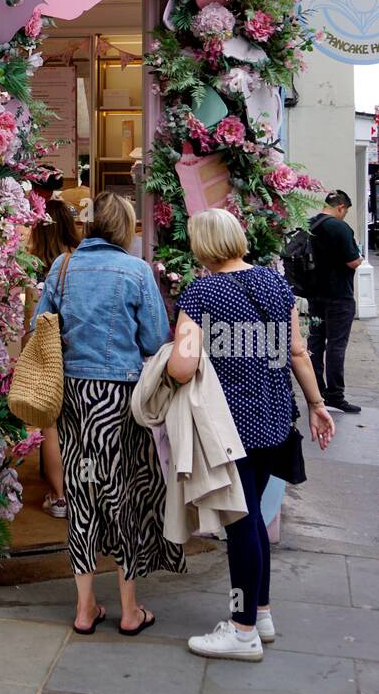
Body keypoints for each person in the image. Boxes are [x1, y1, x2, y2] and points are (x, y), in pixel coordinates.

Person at [168, 208, 335, 662]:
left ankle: (241, 631)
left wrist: (168, 360)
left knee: (239, 523)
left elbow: (182, 366)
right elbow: (298, 351)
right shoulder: (275, 284)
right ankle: (260, 613)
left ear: (202, 245)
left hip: (230, 428)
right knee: (254, 517)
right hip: (275, 419)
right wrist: (317, 405)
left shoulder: (202, 292)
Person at [32, 191, 183, 635]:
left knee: (82, 497)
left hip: (75, 396)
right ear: (124, 227)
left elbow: (41, 327)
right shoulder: (136, 271)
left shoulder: (61, 268)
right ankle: (130, 610)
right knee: (125, 498)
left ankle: (84, 609)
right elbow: (157, 340)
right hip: (121, 398)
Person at [24, 191, 81, 518]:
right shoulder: (79, 261)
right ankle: (82, 489)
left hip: (48, 352)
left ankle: (59, 497)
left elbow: (32, 319)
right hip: (78, 351)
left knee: (51, 427)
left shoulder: (36, 268)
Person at [307, 189, 363, 414]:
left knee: (316, 343)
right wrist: (359, 257)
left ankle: (316, 390)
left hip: (315, 296)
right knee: (336, 346)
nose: (344, 215)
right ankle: (335, 395)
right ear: (341, 207)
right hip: (339, 297)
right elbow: (353, 262)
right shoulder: (339, 227)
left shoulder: (310, 224)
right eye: (345, 211)